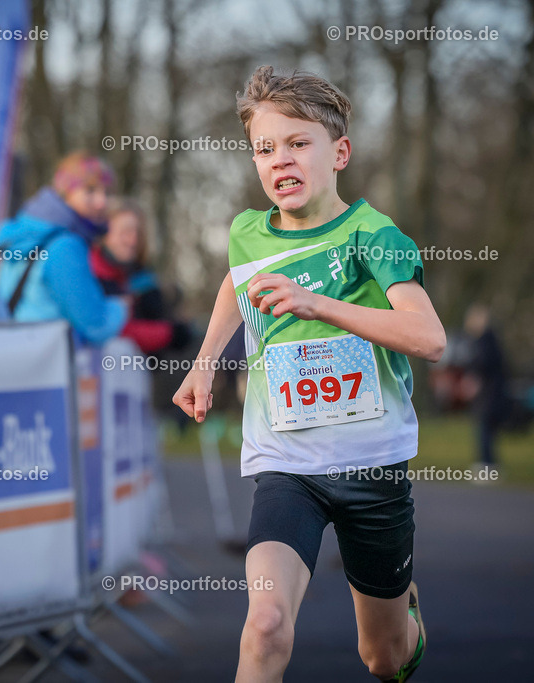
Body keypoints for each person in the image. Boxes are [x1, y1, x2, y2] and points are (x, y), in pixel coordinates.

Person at [172, 67, 444, 682]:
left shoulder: (374, 235)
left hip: (372, 466)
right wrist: (205, 363)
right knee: (266, 625)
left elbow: (429, 339)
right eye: (265, 148)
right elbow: (237, 282)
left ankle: (405, 618)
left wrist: (317, 303)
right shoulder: (247, 232)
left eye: (299, 143)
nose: (280, 160)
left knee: (383, 658)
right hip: (287, 466)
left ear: (339, 153)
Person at [0, 152, 128, 343]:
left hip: (21, 347)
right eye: (90, 191)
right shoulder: (66, 246)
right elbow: (96, 326)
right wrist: (120, 307)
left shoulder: (28, 235)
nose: (102, 202)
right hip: (50, 354)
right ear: (66, 192)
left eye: (107, 193)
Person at [90, 198, 191, 353]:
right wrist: (168, 333)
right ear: (105, 232)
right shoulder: (91, 273)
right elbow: (108, 328)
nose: (133, 240)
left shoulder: (142, 276)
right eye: (125, 232)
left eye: (139, 233)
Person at [462, 304, 509, 471]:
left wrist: (473, 378)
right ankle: (487, 462)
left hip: (489, 393)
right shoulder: (488, 340)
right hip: (489, 393)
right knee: (485, 429)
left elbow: (484, 364)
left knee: (485, 428)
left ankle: (487, 464)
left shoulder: (485, 341)